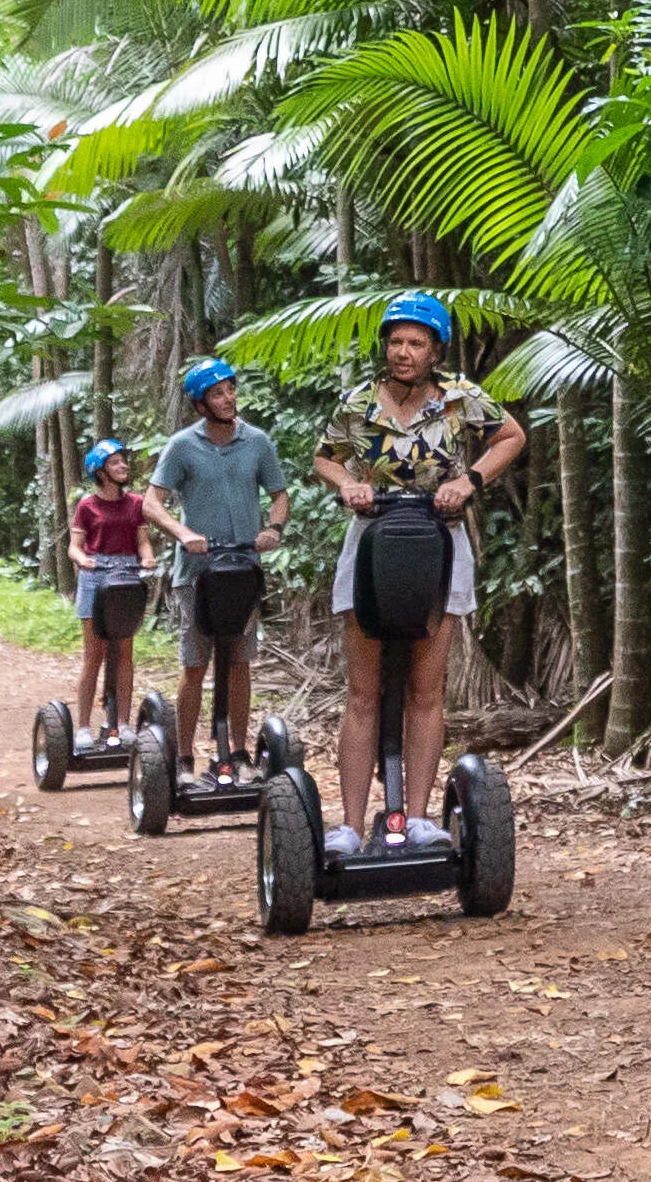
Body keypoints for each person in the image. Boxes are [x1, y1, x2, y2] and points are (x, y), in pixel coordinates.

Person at [308, 291, 525, 837]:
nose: (403, 351)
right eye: (396, 341)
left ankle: (422, 821)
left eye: (416, 343)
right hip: (372, 541)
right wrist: (350, 484)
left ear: (435, 350)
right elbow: (323, 457)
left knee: (427, 690)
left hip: (440, 540)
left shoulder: (461, 397)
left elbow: (512, 436)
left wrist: (467, 480)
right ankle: (351, 827)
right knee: (363, 691)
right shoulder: (359, 402)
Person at [151, 357, 294, 773]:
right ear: (200, 404)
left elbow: (279, 494)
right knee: (195, 663)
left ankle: (237, 751)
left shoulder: (257, 441)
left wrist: (274, 529)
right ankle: (183, 756)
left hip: (243, 569)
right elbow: (151, 502)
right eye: (218, 392)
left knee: (239, 660)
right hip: (196, 573)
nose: (229, 398)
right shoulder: (182, 446)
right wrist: (183, 534)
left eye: (231, 388)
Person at [68, 439, 168, 740]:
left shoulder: (136, 503)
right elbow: (74, 547)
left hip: (126, 575)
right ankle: (83, 726)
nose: (123, 465)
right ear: (99, 471)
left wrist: (147, 556)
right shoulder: (87, 506)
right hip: (96, 577)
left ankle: (122, 723)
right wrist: (84, 559)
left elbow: (142, 541)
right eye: (115, 462)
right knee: (94, 655)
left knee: (124, 653)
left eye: (123, 461)